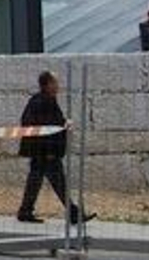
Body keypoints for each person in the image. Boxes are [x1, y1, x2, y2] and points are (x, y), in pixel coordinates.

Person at [16, 70, 94, 225]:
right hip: (46, 152)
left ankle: (25, 211)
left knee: (35, 181)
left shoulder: (43, 100)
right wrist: (50, 150)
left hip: (40, 151)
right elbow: (43, 127)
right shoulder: (43, 101)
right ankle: (74, 214)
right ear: (48, 84)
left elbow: (50, 123)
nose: (58, 85)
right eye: (55, 82)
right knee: (59, 182)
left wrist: (64, 123)